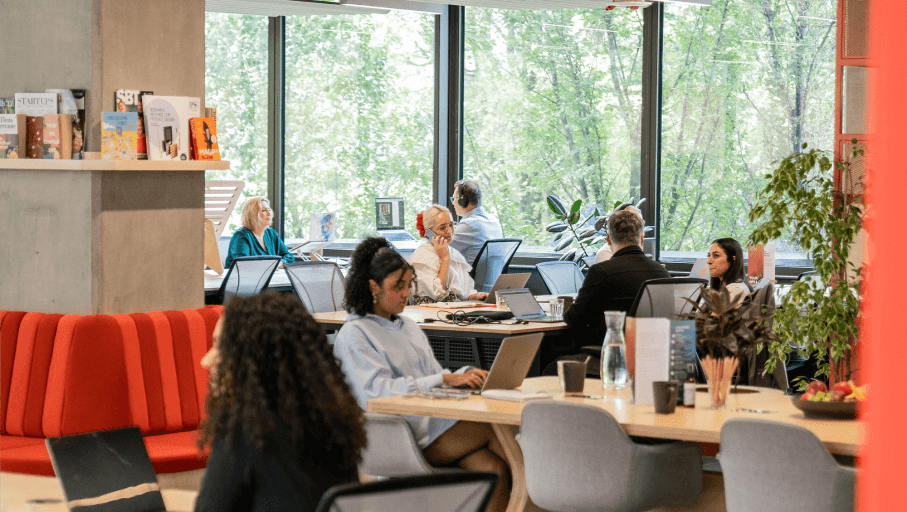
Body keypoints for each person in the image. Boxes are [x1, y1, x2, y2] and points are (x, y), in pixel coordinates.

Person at [333, 237, 511, 512]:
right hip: (402, 438)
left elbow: (435, 376)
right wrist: (444, 379)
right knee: (499, 430)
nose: (407, 293)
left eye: (409, 285)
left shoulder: (407, 326)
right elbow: (375, 395)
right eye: (398, 286)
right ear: (373, 287)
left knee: (493, 469)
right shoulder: (355, 334)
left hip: (434, 426)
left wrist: (465, 377)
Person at [195, 293, 366, 512]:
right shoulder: (332, 423)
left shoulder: (245, 429)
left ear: (254, 358)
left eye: (220, 346)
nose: (206, 360)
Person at [563, 209, 672, 351]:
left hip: (608, 356)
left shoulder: (601, 272)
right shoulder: (662, 273)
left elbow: (574, 319)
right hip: (650, 356)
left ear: (608, 239)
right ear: (642, 238)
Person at [410, 205, 487, 304]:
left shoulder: (454, 253)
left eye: (451, 225)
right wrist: (445, 258)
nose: (449, 231)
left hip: (451, 308)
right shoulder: (422, 257)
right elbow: (438, 294)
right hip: (428, 309)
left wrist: (474, 296)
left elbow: (464, 293)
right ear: (429, 232)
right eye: (443, 228)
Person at [224, 197, 294, 270]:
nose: (269, 214)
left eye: (269, 210)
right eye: (264, 210)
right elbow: (243, 265)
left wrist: (280, 263)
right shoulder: (241, 236)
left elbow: (289, 256)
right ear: (252, 214)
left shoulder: (271, 234)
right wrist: (271, 265)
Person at [449, 179, 503, 265]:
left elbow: (440, 250)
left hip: (467, 274)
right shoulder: (494, 221)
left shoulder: (468, 225)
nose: (452, 203)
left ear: (462, 201)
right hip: (491, 274)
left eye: (454, 199)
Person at [707, 237, 750, 308]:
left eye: (716, 255)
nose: (708, 261)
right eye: (709, 255)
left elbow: (713, 315)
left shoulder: (735, 290)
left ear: (733, 259)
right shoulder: (725, 287)